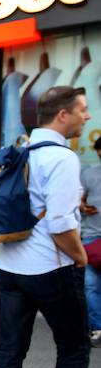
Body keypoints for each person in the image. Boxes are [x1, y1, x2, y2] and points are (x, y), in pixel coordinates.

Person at [0, 85, 100, 368]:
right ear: (63, 115)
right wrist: (81, 258)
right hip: (50, 268)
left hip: (9, 266)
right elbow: (59, 223)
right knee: (74, 348)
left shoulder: (21, 149)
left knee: (10, 352)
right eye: (82, 110)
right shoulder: (63, 158)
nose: (87, 117)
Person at [80, 136, 101, 346]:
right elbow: (79, 200)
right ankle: (97, 327)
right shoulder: (89, 173)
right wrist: (83, 208)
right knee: (91, 285)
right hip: (91, 235)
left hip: (91, 236)